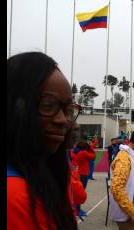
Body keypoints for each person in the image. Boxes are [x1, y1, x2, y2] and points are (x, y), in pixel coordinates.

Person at [7, 52, 80, 229]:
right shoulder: (16, 196)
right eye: (48, 105)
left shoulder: (43, 177)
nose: (63, 120)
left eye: (68, 110)